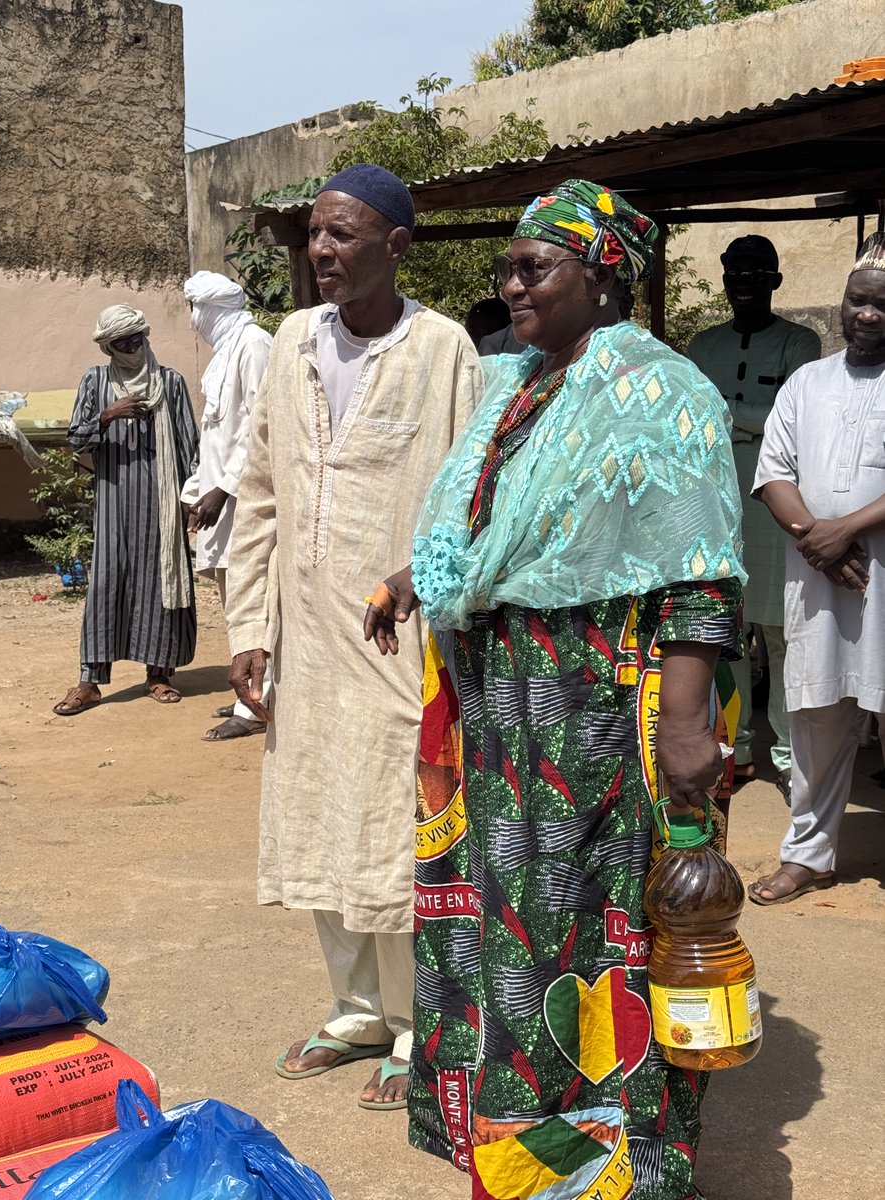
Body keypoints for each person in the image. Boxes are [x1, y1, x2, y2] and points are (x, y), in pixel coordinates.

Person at [364, 180, 745, 1199]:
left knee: (595, 935)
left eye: (534, 266)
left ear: (603, 275)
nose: (512, 284)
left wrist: (686, 719)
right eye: (508, 269)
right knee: (508, 935)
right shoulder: (517, 386)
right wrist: (416, 580)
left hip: (597, 715)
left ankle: (615, 1171)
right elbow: (494, 529)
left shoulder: (662, 394)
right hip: (497, 710)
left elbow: (698, 569)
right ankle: (524, 1160)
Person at [223, 164, 483, 1109]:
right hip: (302, 636)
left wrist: (430, 588)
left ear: (396, 247)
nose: (322, 253)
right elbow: (257, 493)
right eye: (315, 238)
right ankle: (355, 1009)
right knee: (321, 811)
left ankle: (420, 1026)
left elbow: (468, 497)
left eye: (341, 235)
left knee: (397, 818)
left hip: (399, 640)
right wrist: (249, 625)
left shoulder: (445, 349)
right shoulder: (293, 339)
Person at [748, 232, 885, 905]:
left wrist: (846, 532)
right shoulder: (808, 382)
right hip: (819, 582)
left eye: (882, 306)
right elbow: (773, 470)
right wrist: (816, 541)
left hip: (877, 580)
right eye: (857, 302)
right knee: (817, 717)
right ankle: (809, 855)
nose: (866, 315)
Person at [688, 235, 820, 803]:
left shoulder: (800, 342)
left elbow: (793, 420)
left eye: (755, 272)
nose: (742, 281)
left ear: (775, 280)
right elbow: (689, 415)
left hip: (775, 505)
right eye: (733, 271)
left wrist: (728, 415)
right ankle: (735, 751)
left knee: (783, 632)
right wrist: (750, 421)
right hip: (714, 504)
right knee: (727, 634)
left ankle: (790, 757)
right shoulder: (702, 345)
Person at [52, 305, 198, 715]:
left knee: (160, 582)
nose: (132, 347)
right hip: (114, 502)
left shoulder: (168, 382)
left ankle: (159, 674)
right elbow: (77, 439)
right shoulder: (95, 381)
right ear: (108, 346)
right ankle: (90, 681)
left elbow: (188, 443)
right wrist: (109, 415)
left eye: (137, 339)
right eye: (122, 342)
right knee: (106, 585)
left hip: (161, 505)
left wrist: (192, 500)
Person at [180, 270, 273, 742]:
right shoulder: (224, 353)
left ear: (211, 308)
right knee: (232, 596)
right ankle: (252, 690)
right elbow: (215, 434)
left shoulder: (253, 343)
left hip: (246, 500)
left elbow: (262, 423)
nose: (193, 319)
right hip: (220, 500)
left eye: (196, 308)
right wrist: (196, 490)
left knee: (252, 599)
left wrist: (226, 489)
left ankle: (255, 705)